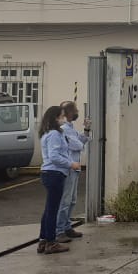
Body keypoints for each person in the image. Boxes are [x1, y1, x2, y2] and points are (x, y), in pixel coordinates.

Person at [37, 105, 80, 255]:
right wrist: (71, 164)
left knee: (49, 209)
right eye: (61, 116)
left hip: (50, 173)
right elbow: (54, 156)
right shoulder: (54, 134)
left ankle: (43, 240)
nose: (64, 118)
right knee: (52, 210)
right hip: (54, 174)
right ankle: (51, 242)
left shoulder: (48, 133)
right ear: (55, 118)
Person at [55, 100, 90, 244]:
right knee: (65, 200)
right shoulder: (63, 129)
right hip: (69, 168)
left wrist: (86, 130)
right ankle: (59, 231)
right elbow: (78, 144)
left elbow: (80, 141)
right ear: (69, 113)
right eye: (75, 110)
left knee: (72, 200)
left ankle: (67, 226)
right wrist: (81, 141)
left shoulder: (71, 128)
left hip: (74, 168)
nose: (78, 113)